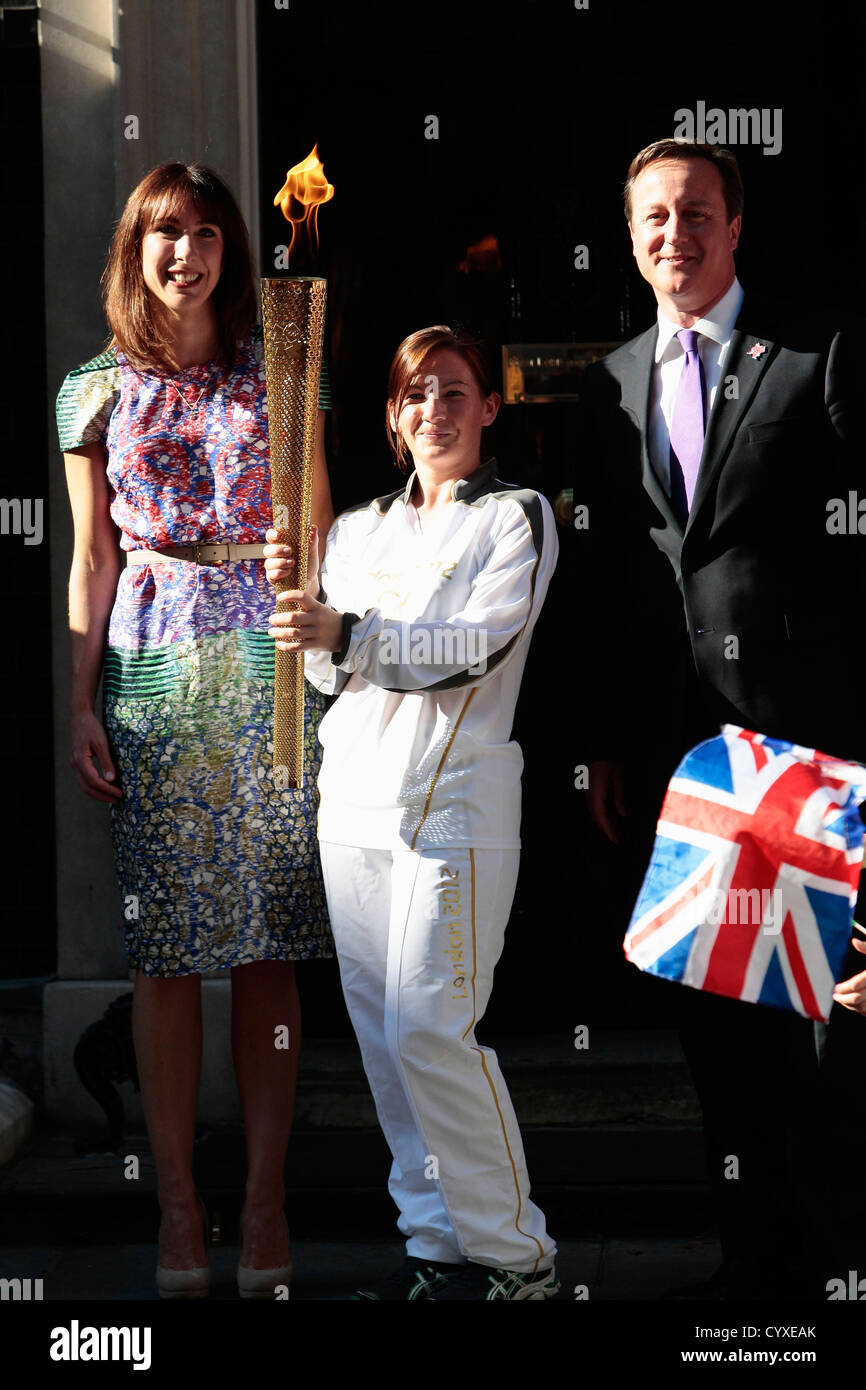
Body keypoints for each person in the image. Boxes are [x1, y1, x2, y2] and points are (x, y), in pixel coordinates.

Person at [577, 138, 866, 1297]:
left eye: (694, 212)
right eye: (652, 216)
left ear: (733, 226)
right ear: (628, 234)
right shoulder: (610, 380)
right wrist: (606, 739)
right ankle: (750, 1264)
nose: (673, 234)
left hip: (807, 751)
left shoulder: (814, 352)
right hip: (683, 758)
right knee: (716, 1015)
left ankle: (836, 1266)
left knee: (824, 1021)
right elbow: (613, 579)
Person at [57, 162, 334, 1299]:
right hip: (154, 670)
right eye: (167, 232)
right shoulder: (91, 390)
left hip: (270, 666)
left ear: (231, 250)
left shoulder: (284, 363)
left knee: (270, 944)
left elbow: (319, 515)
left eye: (209, 232)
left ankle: (264, 1203)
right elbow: (91, 556)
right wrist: (80, 701)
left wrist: (302, 574)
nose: (188, 252)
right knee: (165, 954)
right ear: (137, 247)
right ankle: (178, 1210)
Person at [265, 325, 560, 1299]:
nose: (435, 409)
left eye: (454, 390)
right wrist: (302, 615)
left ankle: (517, 1259)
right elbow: (324, 673)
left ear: (488, 407)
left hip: (454, 808)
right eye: (415, 394)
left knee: (434, 1027)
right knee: (387, 1045)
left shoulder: (514, 518)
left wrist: (346, 630)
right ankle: (436, 1247)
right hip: (351, 807)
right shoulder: (354, 531)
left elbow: (473, 647)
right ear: (393, 418)